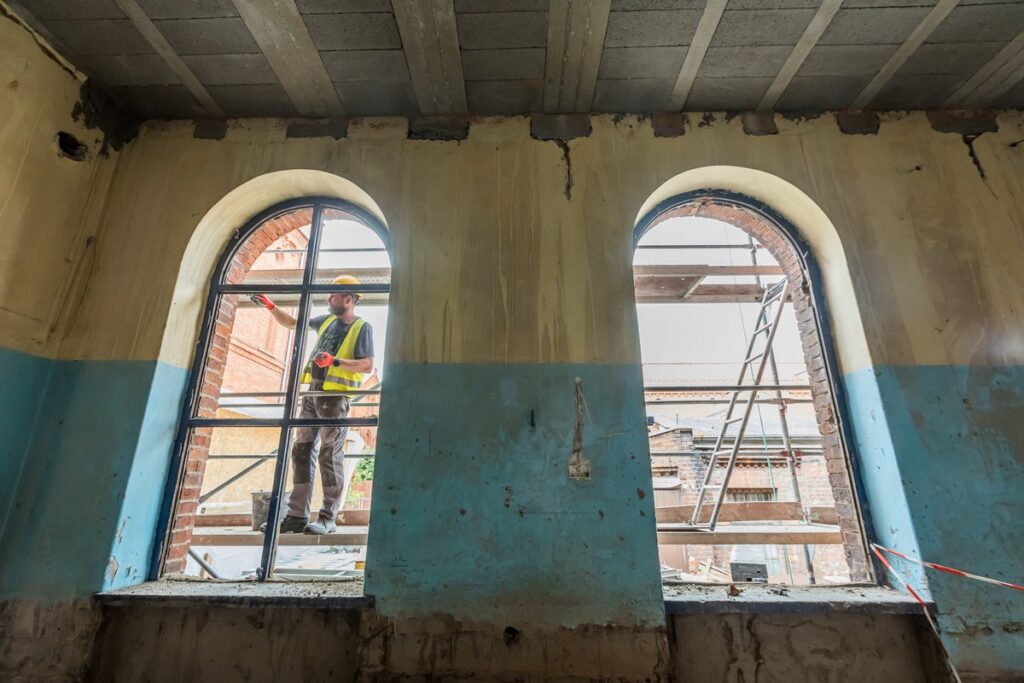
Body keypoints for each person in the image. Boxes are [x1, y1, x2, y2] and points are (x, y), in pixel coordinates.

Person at [252, 275, 374, 535]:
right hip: (313, 395)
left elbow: (367, 365)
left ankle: (328, 518)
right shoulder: (326, 321)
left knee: (329, 455)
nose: (329, 298)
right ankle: (296, 517)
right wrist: (271, 306)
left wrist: (334, 362)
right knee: (302, 452)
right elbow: (293, 324)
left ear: (349, 299)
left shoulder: (361, 327)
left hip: (335, 398)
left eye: (334, 295)